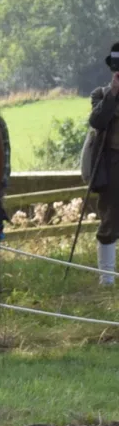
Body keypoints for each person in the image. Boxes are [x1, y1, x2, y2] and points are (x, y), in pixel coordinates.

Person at [87, 44, 119, 284]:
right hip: (112, 163)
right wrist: (113, 94)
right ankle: (106, 277)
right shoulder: (101, 94)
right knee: (110, 218)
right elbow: (97, 121)